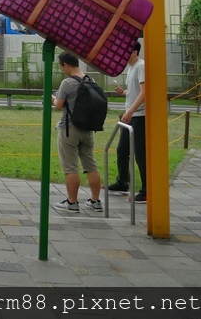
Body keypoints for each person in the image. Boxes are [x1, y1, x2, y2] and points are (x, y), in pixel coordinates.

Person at [52, 51, 102, 213]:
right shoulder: (90, 80)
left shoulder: (67, 83)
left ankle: (72, 203)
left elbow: (59, 105)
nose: (62, 70)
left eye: (62, 67)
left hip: (70, 129)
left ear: (66, 65)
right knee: (91, 165)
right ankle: (95, 201)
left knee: (71, 167)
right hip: (88, 129)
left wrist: (53, 98)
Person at [109, 41, 146, 203]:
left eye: (126, 50)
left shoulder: (141, 66)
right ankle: (123, 182)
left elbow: (145, 93)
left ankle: (146, 191)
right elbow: (135, 92)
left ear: (134, 52)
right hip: (130, 116)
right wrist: (124, 92)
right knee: (122, 150)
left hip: (139, 116)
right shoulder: (131, 68)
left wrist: (130, 111)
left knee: (140, 154)